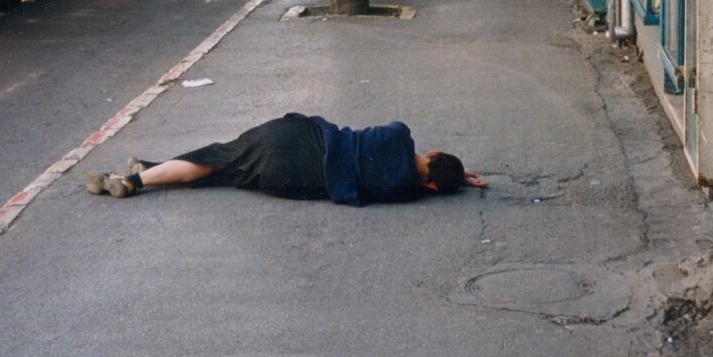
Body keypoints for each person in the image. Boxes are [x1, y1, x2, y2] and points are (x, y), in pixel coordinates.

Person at [85, 112, 487, 206]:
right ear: (434, 186)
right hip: (297, 179)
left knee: (221, 155)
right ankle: (146, 171)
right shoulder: (405, 193)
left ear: (431, 153)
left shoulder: (401, 136)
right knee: (228, 172)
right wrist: (455, 182)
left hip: (300, 138)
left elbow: (404, 146)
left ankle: (137, 179)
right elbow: (428, 183)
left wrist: (455, 169)